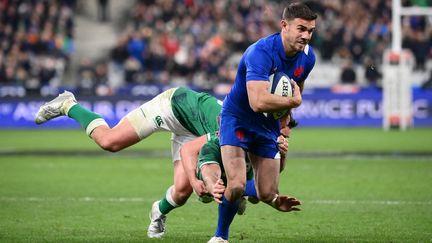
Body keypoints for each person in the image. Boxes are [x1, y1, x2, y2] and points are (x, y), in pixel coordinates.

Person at [34, 87, 222, 238]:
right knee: (109, 141)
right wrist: (200, 180)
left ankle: (158, 211)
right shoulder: (230, 133)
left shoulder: (241, 135)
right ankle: (67, 104)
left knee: (182, 192)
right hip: (172, 107)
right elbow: (189, 151)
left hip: (195, 129)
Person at [217, 2, 317, 242]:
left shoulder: (308, 58)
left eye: (311, 31)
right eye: (301, 29)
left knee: (268, 192)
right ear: (284, 25)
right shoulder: (260, 52)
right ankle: (220, 236)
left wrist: (284, 127)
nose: (306, 36)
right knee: (238, 183)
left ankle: (231, 192)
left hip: (267, 125)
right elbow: (258, 102)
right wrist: (294, 104)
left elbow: (294, 91)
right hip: (238, 118)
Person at [181, 120, 300, 243]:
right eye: (281, 135)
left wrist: (282, 155)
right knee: (214, 192)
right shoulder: (212, 146)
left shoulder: (259, 143)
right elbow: (209, 171)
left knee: (252, 193)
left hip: (240, 180)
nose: (282, 139)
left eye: (285, 137)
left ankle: (222, 232)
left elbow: (271, 174)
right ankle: (221, 235)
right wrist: (212, 186)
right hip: (210, 184)